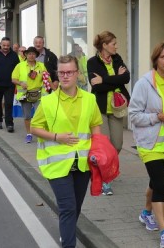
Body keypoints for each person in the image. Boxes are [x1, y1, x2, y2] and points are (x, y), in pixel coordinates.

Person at [30, 55, 102, 248]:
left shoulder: (89, 99)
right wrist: (56, 137)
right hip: (57, 164)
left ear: (77, 73)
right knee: (68, 207)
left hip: (83, 162)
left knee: (75, 207)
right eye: (61, 72)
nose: (65, 76)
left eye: (69, 72)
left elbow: (95, 125)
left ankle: (66, 232)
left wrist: (99, 150)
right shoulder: (48, 101)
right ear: (57, 74)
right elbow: (34, 128)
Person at [129, 43, 164, 248]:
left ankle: (146, 213)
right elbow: (134, 115)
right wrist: (158, 117)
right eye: (163, 57)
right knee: (161, 185)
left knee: (155, 182)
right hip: (149, 143)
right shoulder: (144, 83)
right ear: (156, 59)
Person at [87, 31, 130, 195]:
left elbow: (126, 78)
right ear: (104, 45)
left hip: (118, 107)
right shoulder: (92, 62)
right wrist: (115, 79)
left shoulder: (117, 59)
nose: (116, 46)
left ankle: (104, 168)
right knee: (103, 146)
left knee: (117, 145)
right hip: (101, 108)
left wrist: (104, 79)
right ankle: (104, 180)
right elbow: (96, 87)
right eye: (113, 43)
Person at [12, 47, 51, 144]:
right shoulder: (20, 66)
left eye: (33, 54)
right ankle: (29, 134)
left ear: (36, 55)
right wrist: (21, 83)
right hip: (25, 94)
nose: (31, 55)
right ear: (26, 55)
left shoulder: (41, 66)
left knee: (40, 115)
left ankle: (40, 134)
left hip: (39, 94)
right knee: (27, 116)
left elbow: (47, 78)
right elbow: (13, 79)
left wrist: (53, 86)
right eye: (29, 54)